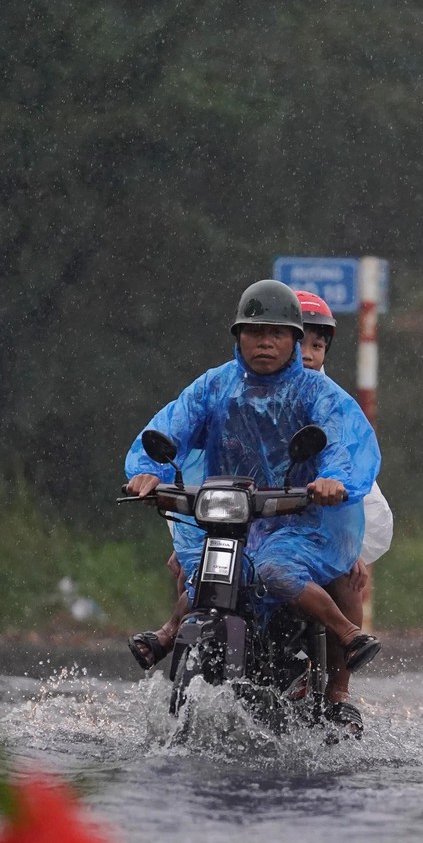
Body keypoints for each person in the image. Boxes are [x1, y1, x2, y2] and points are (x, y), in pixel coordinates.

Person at [123, 279, 382, 699]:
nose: (264, 343)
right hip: (228, 518)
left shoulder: (318, 393)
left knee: (279, 571)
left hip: (300, 523)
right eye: (254, 332)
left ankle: (344, 652)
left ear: (294, 341)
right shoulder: (213, 386)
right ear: (238, 338)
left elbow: (343, 443)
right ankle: (172, 631)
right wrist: (148, 471)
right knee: (197, 567)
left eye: (275, 334)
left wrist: (333, 481)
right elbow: (171, 426)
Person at [294, 289, 394, 724]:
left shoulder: (331, 405)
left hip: (314, 529)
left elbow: (353, 472)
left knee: (349, 577)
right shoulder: (231, 393)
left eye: (318, 345)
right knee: (194, 570)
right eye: (299, 342)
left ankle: (337, 692)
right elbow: (205, 460)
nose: (308, 354)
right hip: (246, 525)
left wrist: (352, 543)